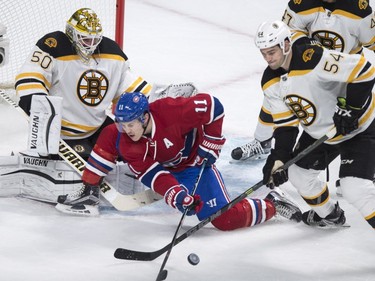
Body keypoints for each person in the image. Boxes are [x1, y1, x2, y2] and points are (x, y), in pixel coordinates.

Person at [62, 91, 303, 229]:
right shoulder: (127, 141)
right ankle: (88, 187)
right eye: (123, 125)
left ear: (145, 117)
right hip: (169, 170)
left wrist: (210, 141)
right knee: (110, 137)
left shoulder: (172, 111)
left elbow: (213, 106)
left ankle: (272, 202)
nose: (127, 130)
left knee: (225, 220)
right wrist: (177, 195)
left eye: (131, 124)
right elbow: (153, 175)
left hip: (193, 165)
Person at [255, 20, 375, 228]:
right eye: (264, 53)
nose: (268, 58)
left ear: (285, 44)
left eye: (271, 51)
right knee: (298, 174)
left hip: (359, 127)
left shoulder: (313, 58)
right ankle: (330, 215)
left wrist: (352, 111)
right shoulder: (270, 81)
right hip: (321, 133)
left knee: (353, 187)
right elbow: (285, 124)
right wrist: (279, 157)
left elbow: (364, 70)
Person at [231, 0, 375, 162]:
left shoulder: (359, 10)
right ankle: (262, 141)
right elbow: (289, 31)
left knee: (362, 116)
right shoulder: (300, 3)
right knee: (275, 95)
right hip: (306, 66)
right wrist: (306, 45)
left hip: (341, 74)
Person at [15, 8, 153, 160]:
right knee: (87, 162)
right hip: (61, 131)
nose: (91, 45)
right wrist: (38, 105)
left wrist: (155, 105)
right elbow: (30, 76)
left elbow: (132, 91)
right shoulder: (54, 46)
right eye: (86, 39)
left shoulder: (112, 53)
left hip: (98, 126)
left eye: (95, 40)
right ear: (71, 33)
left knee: (136, 151)